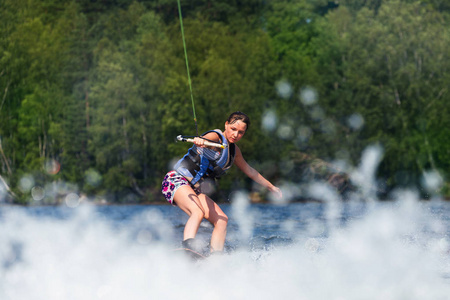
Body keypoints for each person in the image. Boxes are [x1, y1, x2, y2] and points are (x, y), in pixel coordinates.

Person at [161, 111, 282, 254]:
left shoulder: (234, 152)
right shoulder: (216, 137)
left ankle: (216, 258)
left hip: (193, 189)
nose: (236, 134)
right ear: (226, 125)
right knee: (197, 212)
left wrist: (271, 186)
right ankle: (188, 248)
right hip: (175, 180)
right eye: (233, 129)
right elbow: (204, 138)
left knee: (222, 219)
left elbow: (250, 171)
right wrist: (200, 140)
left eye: (241, 132)